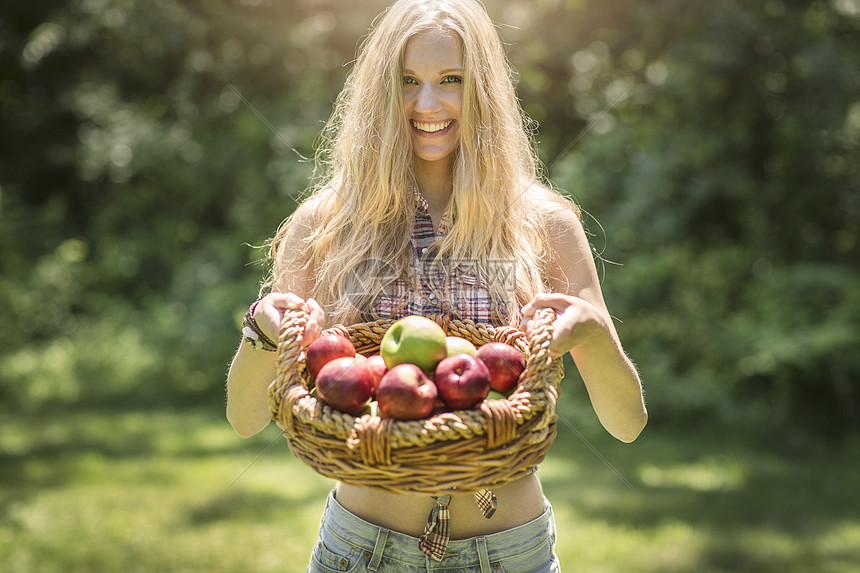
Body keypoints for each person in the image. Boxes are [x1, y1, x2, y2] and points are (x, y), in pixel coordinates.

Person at [226, 0, 647, 570]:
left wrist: (594, 333)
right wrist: (263, 332)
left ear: (484, 91)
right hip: (364, 549)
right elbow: (246, 419)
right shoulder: (325, 226)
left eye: (451, 80)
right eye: (407, 81)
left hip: (508, 551)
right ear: (380, 91)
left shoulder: (541, 223)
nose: (428, 104)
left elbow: (625, 426)